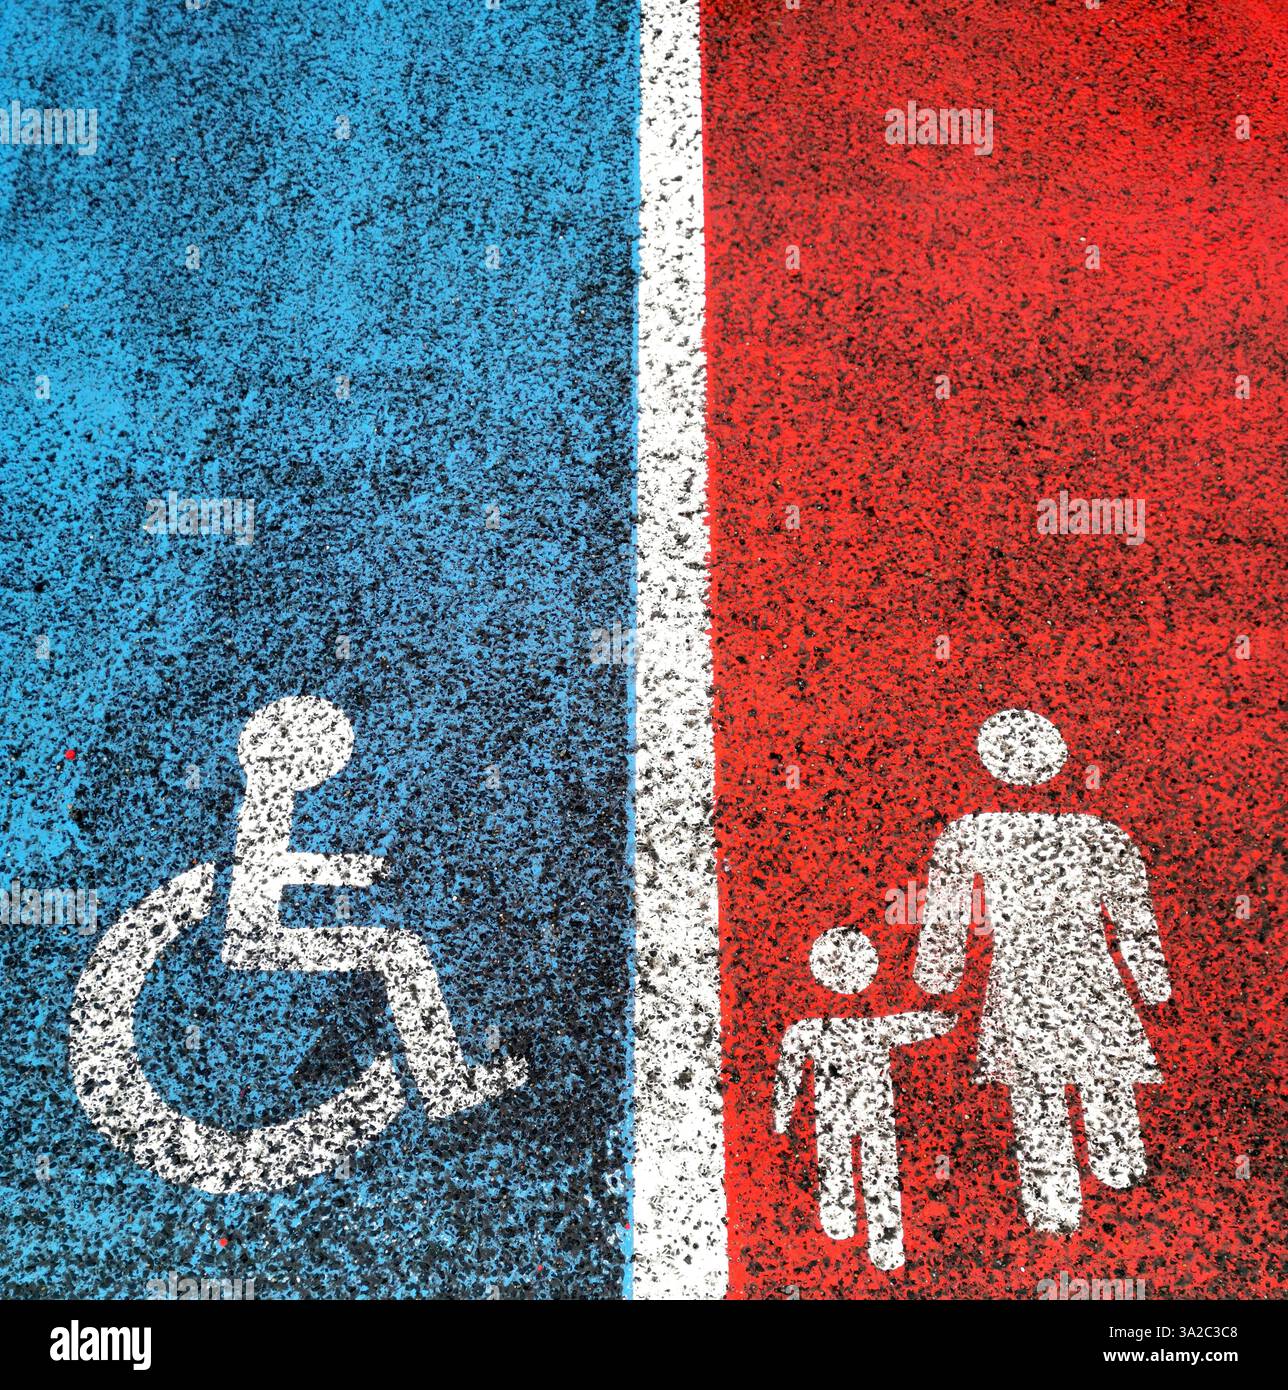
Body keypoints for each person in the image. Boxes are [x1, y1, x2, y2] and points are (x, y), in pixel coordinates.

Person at [914, 707, 1171, 1232]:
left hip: (1021, 970)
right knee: (1101, 1068)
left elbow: (946, 915)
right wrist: (1152, 979)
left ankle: (1054, 1198)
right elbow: (1134, 916)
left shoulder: (970, 833)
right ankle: (1118, 1166)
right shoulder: (1101, 833)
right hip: (1089, 969)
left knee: (1036, 1084)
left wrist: (939, 973)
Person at [221, 695, 526, 1120]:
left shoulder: (266, 793)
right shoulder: (267, 800)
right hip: (258, 940)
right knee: (401, 952)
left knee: (397, 951)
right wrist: (357, 870)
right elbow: (267, 868)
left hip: (256, 934)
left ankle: (442, 1077)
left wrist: (360, 870)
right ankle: (445, 1084)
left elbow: (270, 865)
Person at [774, 926, 955, 1269]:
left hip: (839, 1113)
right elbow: (915, 1024)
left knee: (841, 1166)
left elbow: (789, 1070)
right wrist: (946, 1018)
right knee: (877, 1173)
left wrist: (782, 1117)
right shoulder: (866, 1027)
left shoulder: (812, 1029)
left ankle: (842, 1223)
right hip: (870, 1112)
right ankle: (879, 1242)